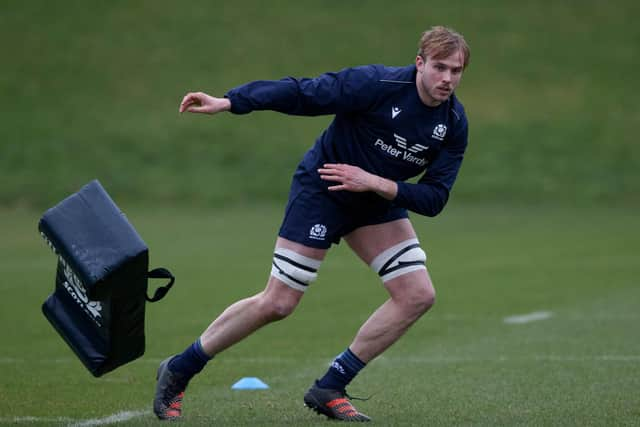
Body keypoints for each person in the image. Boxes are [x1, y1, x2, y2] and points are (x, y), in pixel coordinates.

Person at [154, 25, 470, 422]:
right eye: (439, 68)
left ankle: (330, 386)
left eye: (456, 71)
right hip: (324, 190)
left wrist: (373, 183)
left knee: (417, 294)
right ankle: (179, 368)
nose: (447, 79)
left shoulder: (454, 122)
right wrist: (232, 102)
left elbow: (435, 198)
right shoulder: (376, 83)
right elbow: (304, 92)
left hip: (374, 202)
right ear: (419, 63)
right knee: (279, 303)